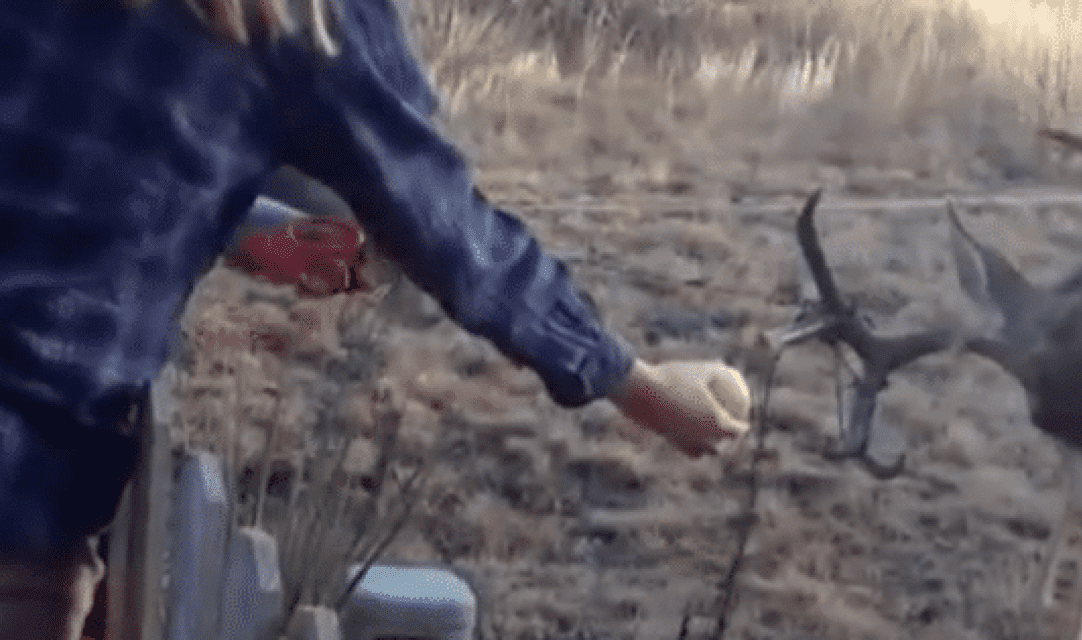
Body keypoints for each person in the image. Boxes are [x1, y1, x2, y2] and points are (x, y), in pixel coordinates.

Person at [0, 0, 752, 637]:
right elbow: (448, 229)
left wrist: (230, 224)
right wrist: (638, 382)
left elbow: (72, 148)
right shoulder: (298, 16)